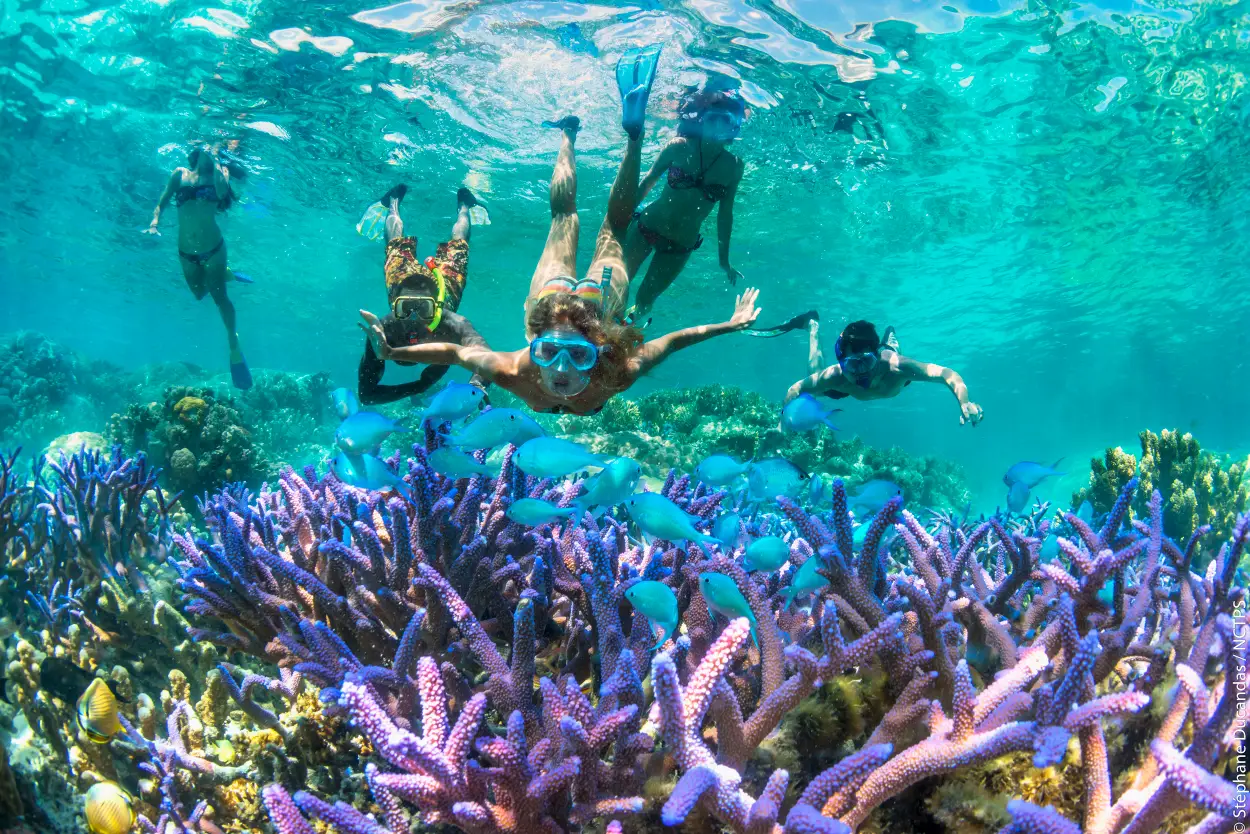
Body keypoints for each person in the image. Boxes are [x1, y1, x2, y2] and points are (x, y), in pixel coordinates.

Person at [359, 46, 763, 416]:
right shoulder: (615, 373)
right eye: (551, 351)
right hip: (593, 302)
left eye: (564, 354)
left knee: (579, 220)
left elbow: (454, 354)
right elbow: (674, 340)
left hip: (561, 300)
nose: (561, 368)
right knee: (599, 224)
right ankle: (600, 136)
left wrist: (392, 349)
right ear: (600, 349)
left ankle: (596, 134)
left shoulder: (517, 371)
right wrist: (729, 324)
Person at [620, 84, 747, 322]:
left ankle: (624, 334)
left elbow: (725, 215)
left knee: (645, 300)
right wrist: (619, 219)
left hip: (680, 244)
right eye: (712, 118)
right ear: (701, 120)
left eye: (724, 120)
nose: (717, 125)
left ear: (733, 125)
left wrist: (724, 260)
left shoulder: (734, 166)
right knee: (619, 284)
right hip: (647, 226)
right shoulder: (678, 147)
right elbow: (647, 183)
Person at [356, 184, 491, 405]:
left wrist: (476, 387)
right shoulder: (383, 330)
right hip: (404, 279)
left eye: (423, 309)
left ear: (436, 305)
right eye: (406, 309)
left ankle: (465, 205)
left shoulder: (452, 323)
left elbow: (486, 358)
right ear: (394, 305)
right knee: (453, 246)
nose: (413, 319)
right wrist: (419, 386)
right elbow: (366, 395)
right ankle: (392, 202)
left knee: (448, 244)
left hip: (442, 283)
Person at [146, 145, 252, 389]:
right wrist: (154, 222)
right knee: (198, 293)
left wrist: (216, 162)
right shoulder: (179, 174)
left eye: (212, 144)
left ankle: (232, 342)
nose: (207, 146)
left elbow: (223, 192)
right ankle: (227, 275)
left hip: (213, 248)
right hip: (186, 252)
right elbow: (162, 201)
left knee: (218, 297)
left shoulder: (219, 172)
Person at [783, 317, 984, 426]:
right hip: (848, 386)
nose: (861, 373)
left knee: (894, 351)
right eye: (853, 365)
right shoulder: (837, 376)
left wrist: (964, 401)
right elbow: (795, 388)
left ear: (876, 356)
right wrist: (781, 422)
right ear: (842, 363)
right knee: (816, 387)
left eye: (866, 362)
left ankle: (890, 338)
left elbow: (946, 374)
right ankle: (813, 326)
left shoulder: (896, 367)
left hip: (894, 371)